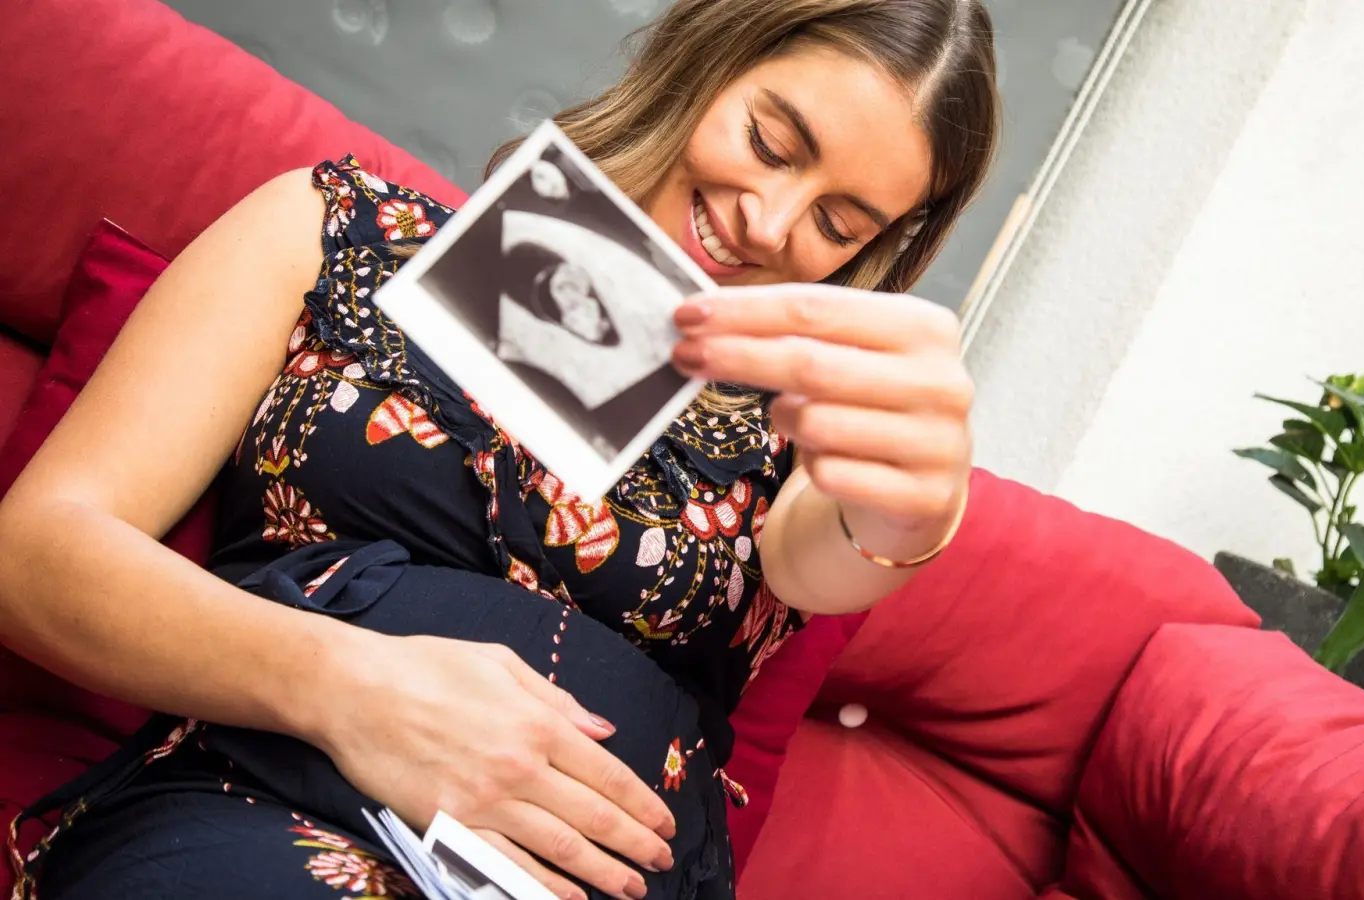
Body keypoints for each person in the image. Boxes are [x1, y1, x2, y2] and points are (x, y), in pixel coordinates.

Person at [0, 0, 998, 898]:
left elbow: (834, 552)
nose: (769, 223)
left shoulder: (791, 438)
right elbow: (34, 556)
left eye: (837, 222)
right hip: (271, 816)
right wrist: (349, 685)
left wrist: (915, 506)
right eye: (769, 142)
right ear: (710, 58)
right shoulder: (337, 233)